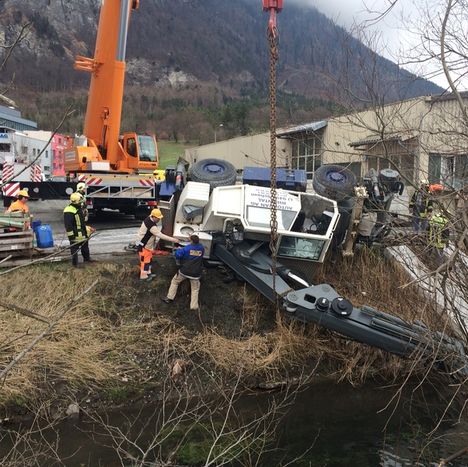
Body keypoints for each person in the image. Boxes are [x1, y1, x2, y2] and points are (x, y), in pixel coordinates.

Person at [162, 234, 205, 311]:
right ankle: (194, 307)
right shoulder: (201, 248)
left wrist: (179, 249)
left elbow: (178, 255)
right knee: (195, 289)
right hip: (196, 274)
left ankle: (169, 298)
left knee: (175, 282)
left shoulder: (186, 249)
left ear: (191, 241)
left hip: (184, 272)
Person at [136, 208, 179, 280]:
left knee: (149, 259)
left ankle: (148, 273)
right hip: (144, 246)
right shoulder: (151, 225)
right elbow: (160, 235)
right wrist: (174, 240)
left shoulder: (149, 218)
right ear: (154, 217)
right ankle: (143, 276)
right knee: (145, 261)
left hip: (146, 245)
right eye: (158, 218)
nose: (159, 219)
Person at [64, 192, 93, 267]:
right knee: (74, 250)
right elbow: (68, 225)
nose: (81, 204)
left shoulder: (78, 208)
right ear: (76, 202)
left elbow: (81, 223)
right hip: (75, 235)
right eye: (80, 202)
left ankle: (87, 259)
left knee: (85, 247)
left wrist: (87, 231)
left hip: (82, 233)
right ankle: (75, 265)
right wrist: (71, 237)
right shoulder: (69, 211)